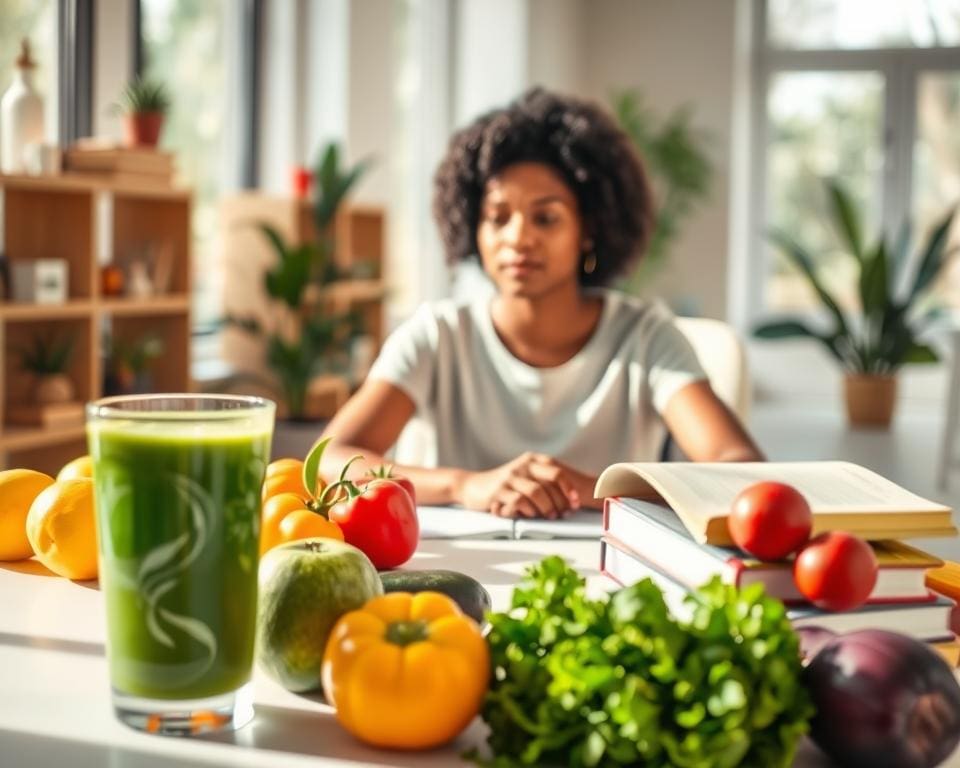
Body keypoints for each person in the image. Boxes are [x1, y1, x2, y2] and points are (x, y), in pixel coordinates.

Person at [320, 87, 763, 519]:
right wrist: (464, 485)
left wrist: (589, 489)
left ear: (589, 228)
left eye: (546, 218)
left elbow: (741, 469)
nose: (517, 237)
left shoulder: (646, 337)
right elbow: (329, 458)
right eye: (497, 217)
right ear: (472, 227)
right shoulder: (437, 336)